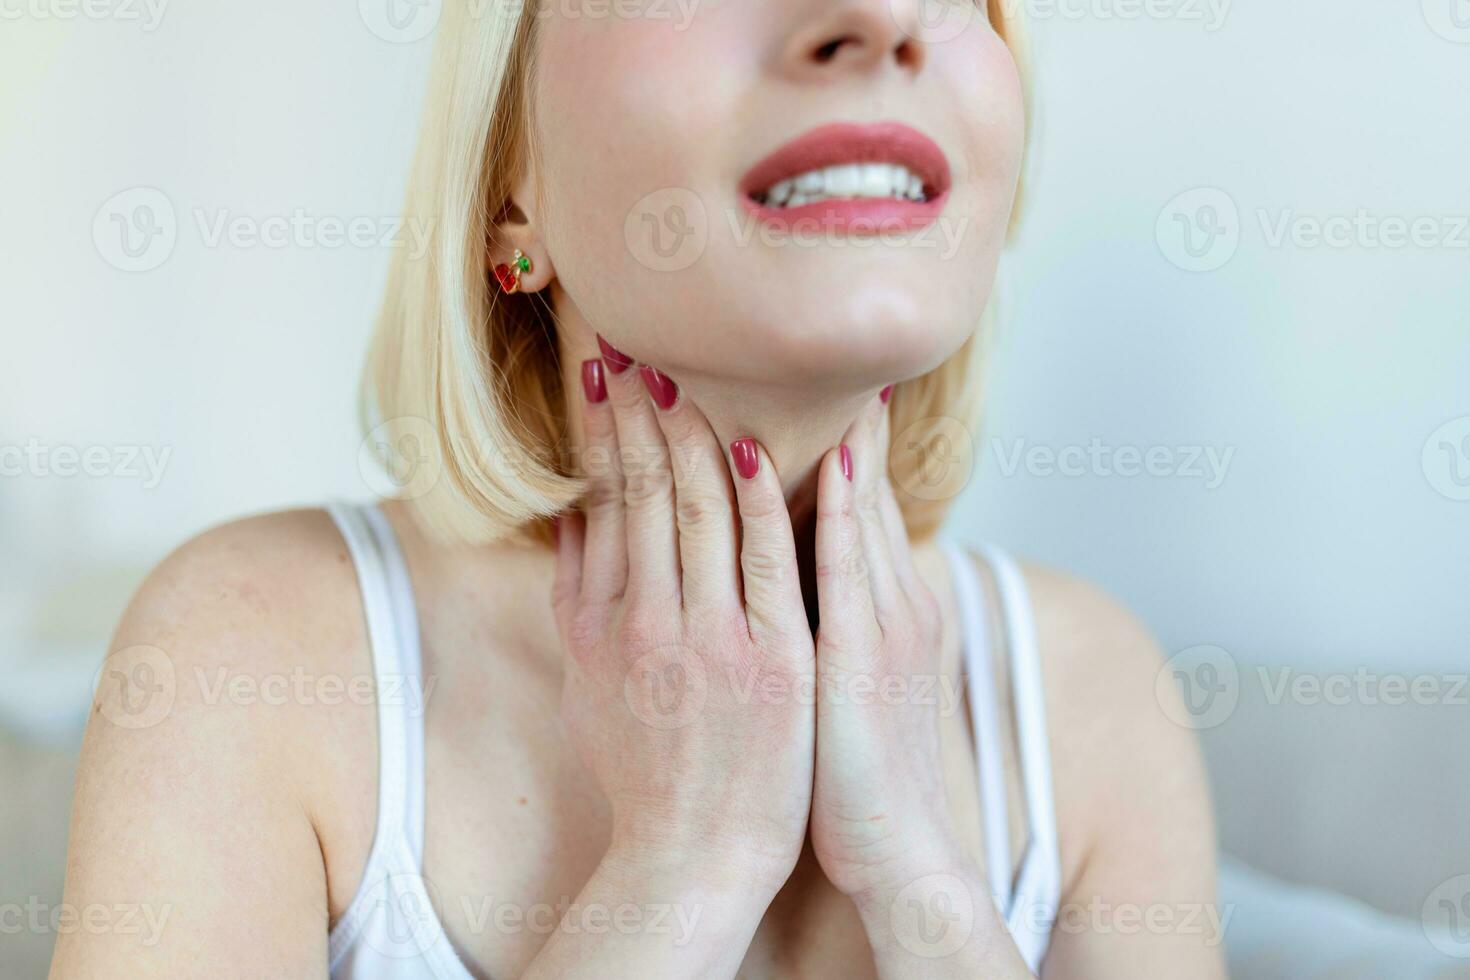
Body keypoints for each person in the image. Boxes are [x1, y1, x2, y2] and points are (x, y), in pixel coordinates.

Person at [52, 2, 1224, 976]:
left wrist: (923, 875)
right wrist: (682, 870)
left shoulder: (1093, 693)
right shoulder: (246, 655)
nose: (876, 22)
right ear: (509, 188)